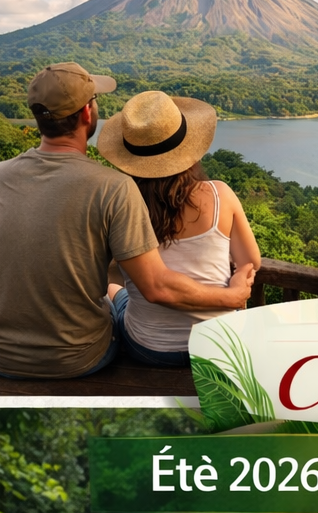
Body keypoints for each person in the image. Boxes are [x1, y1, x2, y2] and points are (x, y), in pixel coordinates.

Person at [0, 63, 254, 379]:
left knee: (113, 290)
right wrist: (232, 296)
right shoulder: (110, 187)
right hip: (77, 357)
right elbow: (156, 286)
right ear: (86, 114)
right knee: (112, 298)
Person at [97, 91, 261, 366]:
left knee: (114, 290)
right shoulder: (220, 194)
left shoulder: (120, 207)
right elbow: (250, 262)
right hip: (219, 345)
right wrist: (234, 288)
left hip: (150, 348)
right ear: (188, 149)